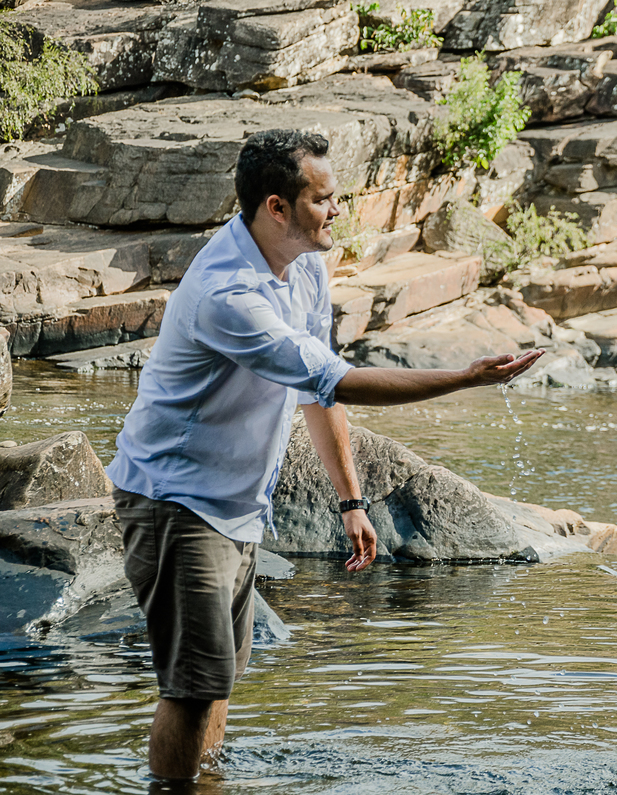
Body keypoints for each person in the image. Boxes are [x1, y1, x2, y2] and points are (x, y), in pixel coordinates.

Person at [107, 129, 543, 782]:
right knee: (193, 685)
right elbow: (339, 381)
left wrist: (351, 499)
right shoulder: (229, 294)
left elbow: (317, 390)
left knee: (221, 677)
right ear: (277, 207)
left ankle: (209, 782)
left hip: (236, 505)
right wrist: (464, 377)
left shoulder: (305, 262)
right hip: (176, 503)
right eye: (324, 199)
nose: (338, 210)